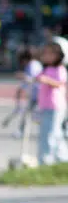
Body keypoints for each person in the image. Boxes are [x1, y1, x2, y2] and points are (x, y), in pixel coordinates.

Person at [36, 36, 68, 165]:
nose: (46, 56)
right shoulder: (46, 69)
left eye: (50, 53)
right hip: (45, 106)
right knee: (54, 133)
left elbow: (60, 83)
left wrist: (47, 80)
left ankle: (46, 160)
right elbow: (37, 78)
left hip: (55, 106)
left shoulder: (60, 69)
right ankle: (62, 158)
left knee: (50, 134)